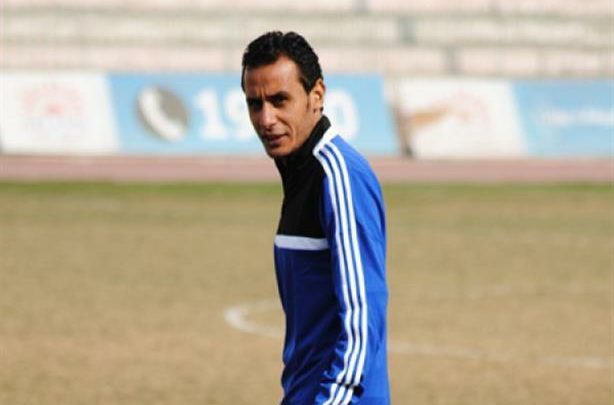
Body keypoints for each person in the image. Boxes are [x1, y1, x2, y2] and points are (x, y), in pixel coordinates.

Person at [241, 31, 390, 405]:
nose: (266, 119)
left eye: (280, 100)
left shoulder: (339, 177)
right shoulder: (299, 173)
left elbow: (362, 320)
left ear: (317, 95)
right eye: (255, 104)